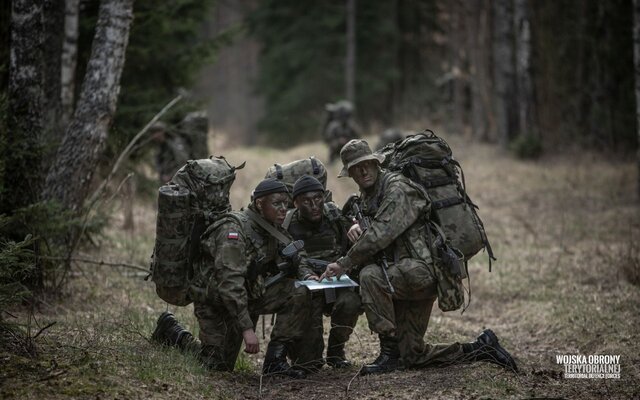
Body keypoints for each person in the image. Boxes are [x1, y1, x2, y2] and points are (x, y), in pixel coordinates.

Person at [320, 139, 518, 375]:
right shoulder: (366, 196)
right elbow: (371, 226)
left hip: (423, 272)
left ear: (376, 163)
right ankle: (481, 348)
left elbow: (381, 233)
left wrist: (344, 263)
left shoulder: (398, 188)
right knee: (413, 354)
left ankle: (389, 354)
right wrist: (355, 226)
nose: (362, 171)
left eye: (366, 164)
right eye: (355, 168)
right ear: (350, 174)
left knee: (370, 276)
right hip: (401, 274)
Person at [151, 178, 313, 378]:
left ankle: (274, 362)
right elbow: (229, 283)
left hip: (247, 296)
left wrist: (307, 273)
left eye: (285, 203)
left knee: (299, 290)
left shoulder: (272, 226)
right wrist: (247, 329)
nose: (283, 209)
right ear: (260, 204)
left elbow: (296, 252)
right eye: (277, 203)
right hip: (217, 302)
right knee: (216, 366)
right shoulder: (233, 230)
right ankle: (173, 332)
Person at [284, 175, 362, 371]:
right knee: (309, 364)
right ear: (295, 203)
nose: (314, 205)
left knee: (350, 303)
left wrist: (354, 226)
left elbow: (354, 238)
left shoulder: (334, 215)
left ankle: (336, 352)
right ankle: (307, 355)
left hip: (336, 281)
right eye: (307, 201)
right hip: (307, 287)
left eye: (318, 198)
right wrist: (308, 276)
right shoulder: (287, 224)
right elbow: (295, 256)